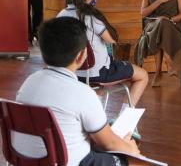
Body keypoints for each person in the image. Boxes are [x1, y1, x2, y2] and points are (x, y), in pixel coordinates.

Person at [13, 17, 140, 166]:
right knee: (134, 161)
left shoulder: (29, 83)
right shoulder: (83, 93)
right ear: (81, 56)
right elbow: (109, 144)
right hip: (68, 162)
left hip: (26, 160)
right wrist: (130, 149)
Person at [57, 0, 148, 107]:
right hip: (96, 72)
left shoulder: (61, 15)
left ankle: (95, 118)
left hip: (72, 71)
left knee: (98, 87)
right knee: (142, 75)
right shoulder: (90, 17)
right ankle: (124, 120)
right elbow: (111, 40)